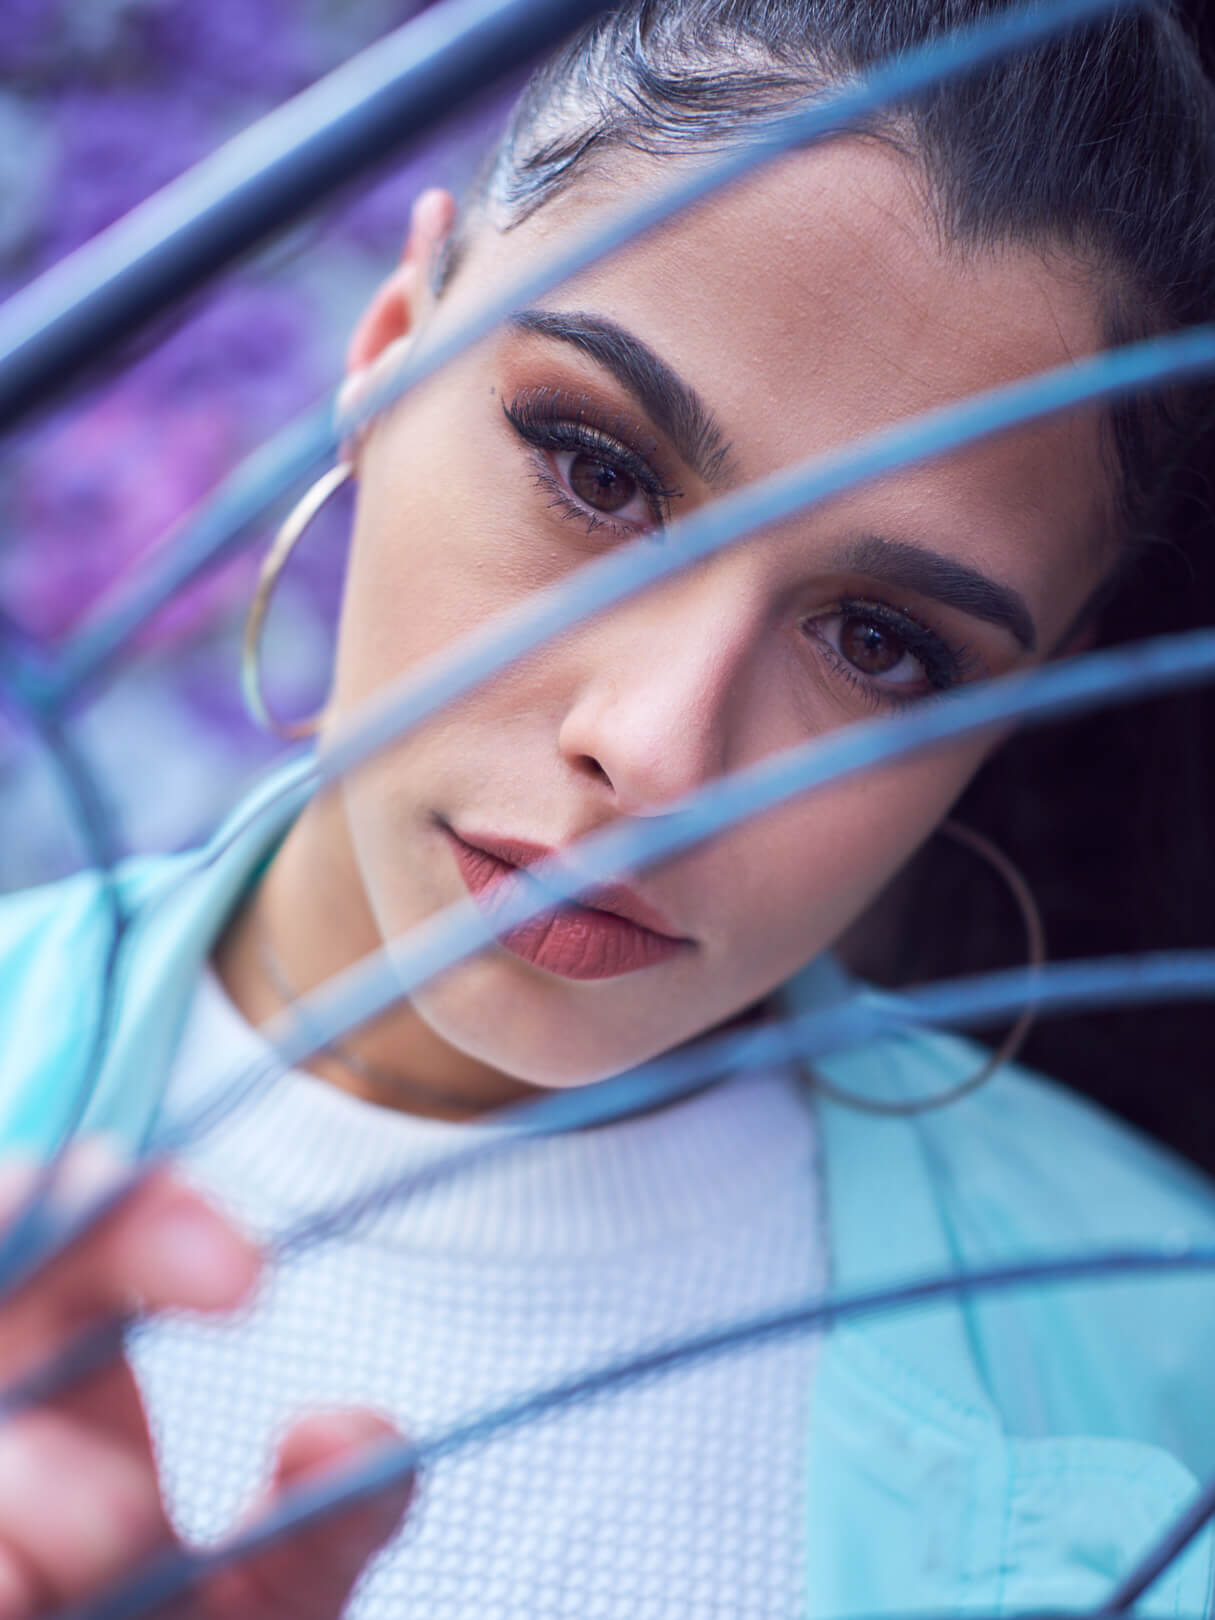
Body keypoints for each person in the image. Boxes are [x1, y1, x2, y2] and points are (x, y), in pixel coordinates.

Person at [0, 0, 1213, 1615]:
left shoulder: (1164, 1363)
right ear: (386, 358)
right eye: (597, 468)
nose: (655, 751)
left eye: (882, 646)